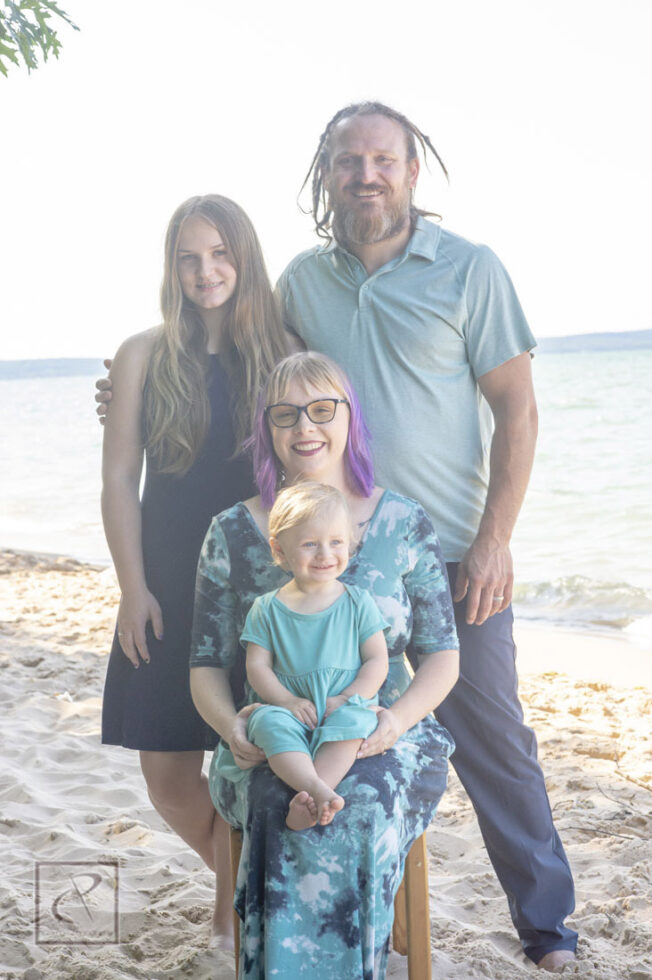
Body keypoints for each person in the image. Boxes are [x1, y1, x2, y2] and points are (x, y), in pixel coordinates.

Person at [275, 101, 577, 971]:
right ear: (327, 176)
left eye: (383, 160)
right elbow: (261, 385)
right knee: (339, 731)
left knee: (494, 737)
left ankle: (548, 928)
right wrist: (132, 384)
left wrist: (495, 541)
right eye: (348, 161)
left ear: (413, 172)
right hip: (336, 561)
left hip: (451, 559)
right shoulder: (300, 283)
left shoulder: (470, 269)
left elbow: (517, 411)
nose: (365, 175)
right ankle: (343, 915)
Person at [189, 350, 460, 978]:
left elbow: (443, 657)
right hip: (274, 730)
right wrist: (232, 728)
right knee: (273, 799)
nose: (304, 426)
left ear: (350, 416)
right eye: (284, 414)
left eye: (321, 409)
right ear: (267, 428)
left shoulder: (403, 522)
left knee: (359, 804)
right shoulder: (233, 532)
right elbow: (205, 664)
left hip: (384, 727)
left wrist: (393, 721)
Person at [100, 193, 290, 944]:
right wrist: (132, 587)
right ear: (171, 267)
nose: (205, 271)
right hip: (167, 583)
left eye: (219, 254)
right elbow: (120, 479)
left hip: (262, 586)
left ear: (244, 259)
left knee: (254, 761)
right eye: (188, 258)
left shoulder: (284, 351)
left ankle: (234, 914)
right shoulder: (142, 355)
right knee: (169, 777)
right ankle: (244, 892)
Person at [241, 481, 389, 830]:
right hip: (292, 709)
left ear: (350, 543)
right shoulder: (267, 608)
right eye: (309, 544)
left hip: (342, 705)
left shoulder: (358, 602)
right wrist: (287, 701)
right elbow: (257, 666)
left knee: (356, 723)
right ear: (279, 549)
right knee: (267, 723)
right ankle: (314, 788)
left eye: (336, 542)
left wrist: (348, 697)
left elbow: (376, 660)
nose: (325, 554)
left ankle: (311, 798)